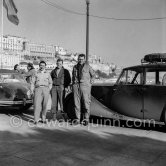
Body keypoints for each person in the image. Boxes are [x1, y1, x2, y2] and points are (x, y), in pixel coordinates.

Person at [72, 54, 95, 126]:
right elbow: (73, 76)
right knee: (76, 103)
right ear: (77, 59)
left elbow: (93, 75)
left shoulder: (88, 67)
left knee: (86, 102)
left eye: (82, 59)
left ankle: (86, 119)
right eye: (79, 59)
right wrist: (72, 84)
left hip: (85, 86)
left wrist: (91, 81)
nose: (80, 60)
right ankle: (77, 119)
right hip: (76, 86)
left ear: (84, 59)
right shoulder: (75, 67)